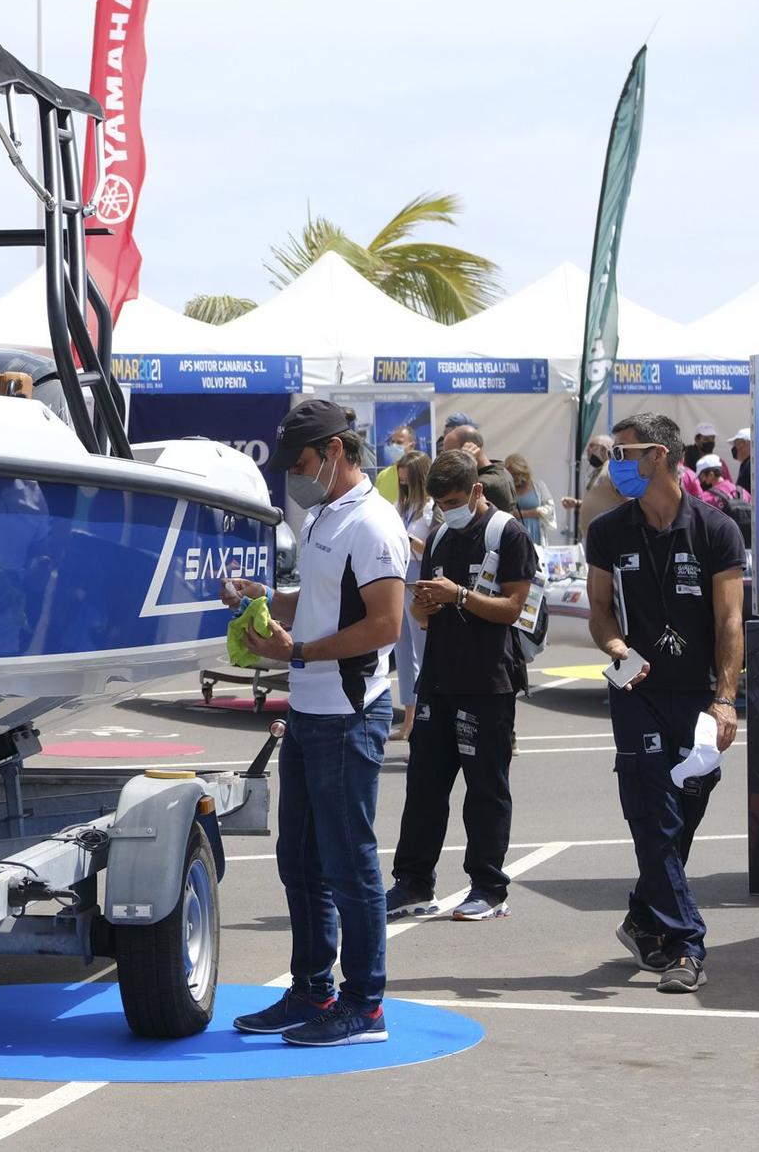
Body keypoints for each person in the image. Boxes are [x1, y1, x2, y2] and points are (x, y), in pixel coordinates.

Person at [223, 399, 406, 1047]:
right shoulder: (328, 514)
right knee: (299, 858)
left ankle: (365, 1004)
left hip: (348, 715)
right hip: (310, 710)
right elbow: (325, 600)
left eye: (299, 463)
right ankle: (312, 988)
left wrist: (295, 650)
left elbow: (385, 624)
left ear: (333, 451)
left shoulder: (374, 524)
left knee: (348, 863)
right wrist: (265, 600)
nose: (292, 477)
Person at [585, 412, 743, 995]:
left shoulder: (716, 529)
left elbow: (730, 621)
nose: (613, 465)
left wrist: (725, 700)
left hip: (700, 696)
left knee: (684, 811)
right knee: (652, 813)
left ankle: (641, 916)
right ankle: (686, 944)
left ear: (658, 455)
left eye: (623, 454)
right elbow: (600, 609)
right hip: (634, 691)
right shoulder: (607, 530)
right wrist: (615, 644)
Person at [386, 450, 536, 922]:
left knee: (485, 790)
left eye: (453, 500)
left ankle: (489, 887)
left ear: (476, 491)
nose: (445, 510)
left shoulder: (507, 532)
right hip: (439, 679)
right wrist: (423, 606)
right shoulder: (438, 536)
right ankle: (412, 882)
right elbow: (421, 617)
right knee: (424, 787)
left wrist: (461, 596)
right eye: (438, 503)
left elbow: (514, 608)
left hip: (488, 683)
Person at [389, 451, 435, 742]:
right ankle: (408, 718)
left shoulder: (430, 509)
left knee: (421, 651)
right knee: (403, 653)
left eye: (407, 478)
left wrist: (408, 539)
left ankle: (421, 719)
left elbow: (429, 551)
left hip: (418, 581)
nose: (402, 483)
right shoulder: (400, 505)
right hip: (399, 580)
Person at [438, 423, 517, 513]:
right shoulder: (500, 470)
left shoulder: (484, 484)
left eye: (450, 454)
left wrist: (464, 463)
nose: (446, 459)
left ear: (470, 448)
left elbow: (451, 492)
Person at [560, 433, 621, 535]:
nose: (587, 450)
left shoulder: (612, 469)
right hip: (596, 536)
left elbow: (627, 501)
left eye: (592, 446)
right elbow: (603, 501)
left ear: (603, 449)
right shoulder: (600, 471)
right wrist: (578, 503)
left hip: (609, 534)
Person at [503, 453, 555, 544]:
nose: (514, 477)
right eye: (511, 474)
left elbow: (550, 509)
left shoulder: (539, 486)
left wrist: (522, 514)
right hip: (514, 535)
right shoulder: (506, 488)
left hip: (536, 533)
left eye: (516, 473)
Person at [730, 428, 753, 495]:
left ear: (743, 443)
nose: (733, 448)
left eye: (735, 444)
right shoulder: (747, 463)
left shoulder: (750, 465)